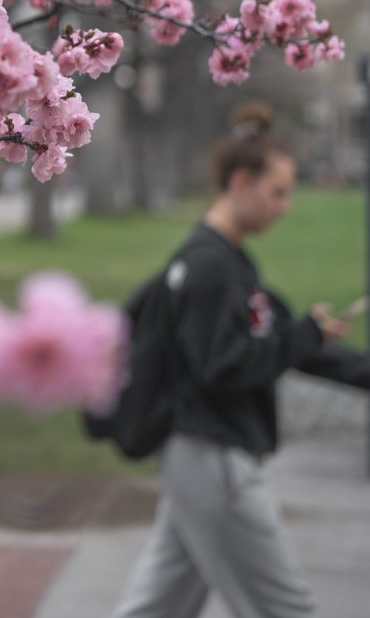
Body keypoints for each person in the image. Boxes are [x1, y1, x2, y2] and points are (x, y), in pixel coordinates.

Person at [111, 102, 370, 618]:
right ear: (242, 182)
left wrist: (309, 336)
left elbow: (285, 339)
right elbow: (223, 367)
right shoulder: (209, 266)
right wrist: (302, 337)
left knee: (157, 607)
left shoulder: (228, 260)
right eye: (278, 193)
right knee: (284, 608)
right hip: (213, 458)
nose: (285, 206)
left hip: (203, 457)